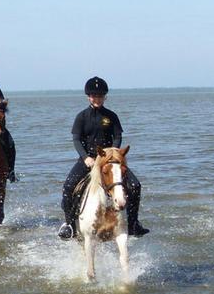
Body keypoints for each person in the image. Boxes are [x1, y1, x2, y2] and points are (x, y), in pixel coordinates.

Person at [57, 77, 149, 239]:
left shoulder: (111, 116)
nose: (97, 99)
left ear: (105, 97)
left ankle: (134, 223)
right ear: (88, 97)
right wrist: (85, 157)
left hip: (109, 160)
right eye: (93, 96)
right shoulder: (82, 117)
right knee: (69, 186)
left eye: (100, 96)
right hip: (89, 159)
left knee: (135, 186)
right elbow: (77, 140)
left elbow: (117, 136)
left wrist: (113, 152)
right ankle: (69, 224)